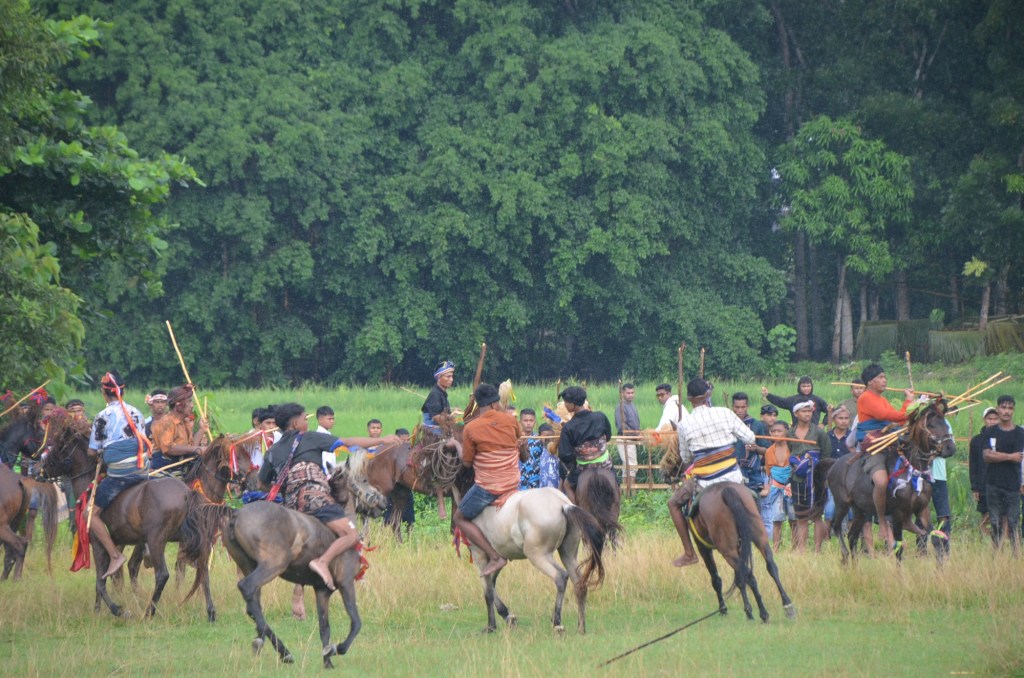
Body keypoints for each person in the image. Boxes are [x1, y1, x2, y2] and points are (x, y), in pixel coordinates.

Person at [258, 402, 399, 589]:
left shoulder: (272, 451)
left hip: (291, 507)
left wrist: (290, 488)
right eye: (304, 419)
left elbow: (262, 484)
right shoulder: (309, 437)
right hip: (315, 500)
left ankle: (298, 596)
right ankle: (323, 562)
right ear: (295, 424)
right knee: (351, 535)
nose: (307, 422)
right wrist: (382, 440)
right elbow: (348, 442)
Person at [668, 378, 755, 567]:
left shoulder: (684, 424)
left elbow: (686, 457)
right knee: (753, 496)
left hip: (705, 481)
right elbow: (750, 438)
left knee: (673, 504)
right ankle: (757, 531)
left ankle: (689, 553)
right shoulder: (725, 413)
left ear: (689, 399)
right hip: (733, 476)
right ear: (708, 395)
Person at [453, 383, 526, 577]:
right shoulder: (511, 421)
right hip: (513, 482)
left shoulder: (470, 428)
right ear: (494, 404)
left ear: (479, 405)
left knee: (459, 518)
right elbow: (522, 453)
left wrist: (456, 446)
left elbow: (467, 462)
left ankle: (494, 557)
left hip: (489, 488)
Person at [87, 371, 150, 579]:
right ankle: (148, 545)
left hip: (120, 474)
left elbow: (92, 451)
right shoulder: (137, 412)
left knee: (90, 514)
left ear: (104, 393)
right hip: (142, 470)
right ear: (123, 391)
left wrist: (100, 451)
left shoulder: (102, 416)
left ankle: (115, 556)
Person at [855, 363, 915, 549]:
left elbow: (900, 419)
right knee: (881, 481)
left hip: (889, 444)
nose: (884, 380)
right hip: (874, 446)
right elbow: (888, 415)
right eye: (880, 377)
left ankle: (906, 517)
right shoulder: (866, 397)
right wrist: (909, 402)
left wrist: (912, 405)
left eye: (885, 377)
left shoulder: (882, 399)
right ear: (870, 382)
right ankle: (881, 520)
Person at [982, 395, 1024, 554]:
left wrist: (998, 455)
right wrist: (1009, 456)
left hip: (1013, 485)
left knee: (1013, 522)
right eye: (1003, 407)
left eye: (1010, 408)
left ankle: (1016, 555)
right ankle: (996, 555)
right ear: (998, 408)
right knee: (995, 522)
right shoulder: (990, 431)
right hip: (993, 483)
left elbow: (1018, 457)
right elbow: (987, 456)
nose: (1006, 411)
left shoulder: (1020, 433)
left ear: (1013, 410)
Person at [556, 386, 613, 503]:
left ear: (573, 404)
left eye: (566, 402)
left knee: (567, 485)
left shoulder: (568, 427)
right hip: (604, 464)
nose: (565, 405)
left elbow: (564, 454)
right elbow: (608, 436)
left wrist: (576, 459)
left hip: (583, 468)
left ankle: (578, 511)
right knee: (615, 482)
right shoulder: (600, 416)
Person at [788, 401, 831, 552]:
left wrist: (819, 473)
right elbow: (790, 452)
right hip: (797, 478)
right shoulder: (790, 433)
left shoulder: (819, 432)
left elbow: (826, 455)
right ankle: (802, 550)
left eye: (809, 411)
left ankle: (817, 550)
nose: (807, 414)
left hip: (816, 478)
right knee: (801, 516)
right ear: (796, 414)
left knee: (817, 515)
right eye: (803, 411)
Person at [149, 384, 209, 472]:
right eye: (189, 401)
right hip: (164, 470)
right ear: (178, 404)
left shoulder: (185, 422)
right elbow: (168, 449)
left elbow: (191, 447)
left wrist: (202, 429)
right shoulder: (166, 422)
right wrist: (197, 449)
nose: (192, 406)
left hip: (181, 468)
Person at [969, 407, 1000, 536]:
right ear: (984, 420)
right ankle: (984, 537)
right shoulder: (977, 441)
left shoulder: (1004, 438)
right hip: (983, 483)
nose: (992, 421)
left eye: (995, 419)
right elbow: (973, 464)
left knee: (1001, 513)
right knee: (985, 512)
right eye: (989, 419)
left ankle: (1000, 538)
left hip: (1001, 482)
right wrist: (975, 487)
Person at [764, 420, 794, 549]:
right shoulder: (769, 451)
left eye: (779, 431)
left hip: (792, 486)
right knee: (777, 519)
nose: (776, 434)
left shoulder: (793, 448)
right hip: (776, 487)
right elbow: (768, 472)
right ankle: (776, 548)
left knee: (794, 519)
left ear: (787, 431)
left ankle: (796, 547)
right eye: (773, 431)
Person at [732, 392, 766, 497]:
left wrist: (756, 448)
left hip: (752, 472)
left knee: (754, 500)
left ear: (747, 406)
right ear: (732, 407)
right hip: (731, 470)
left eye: (743, 407)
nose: (740, 410)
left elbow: (766, 450)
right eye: (737, 407)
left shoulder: (757, 424)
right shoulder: (728, 424)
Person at [762, 376, 830, 425]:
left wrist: (823, 424)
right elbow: (780, 401)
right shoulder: (793, 400)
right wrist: (768, 395)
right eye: (803, 386)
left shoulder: (817, 400)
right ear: (799, 387)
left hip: (813, 432)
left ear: (811, 387)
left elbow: (830, 412)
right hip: (797, 431)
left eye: (808, 386)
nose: (806, 388)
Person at [614, 383, 641, 481]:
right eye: (628, 393)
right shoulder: (620, 407)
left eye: (632, 392)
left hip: (632, 439)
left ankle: (626, 489)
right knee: (631, 467)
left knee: (627, 468)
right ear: (622, 393)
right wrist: (637, 434)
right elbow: (622, 427)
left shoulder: (632, 405)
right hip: (625, 439)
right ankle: (632, 489)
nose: (631, 395)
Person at [422, 360, 455, 434]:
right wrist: (452, 416)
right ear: (439, 378)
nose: (451, 379)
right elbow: (436, 418)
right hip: (433, 432)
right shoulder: (435, 394)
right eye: (448, 377)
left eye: (452, 376)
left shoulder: (442, 393)